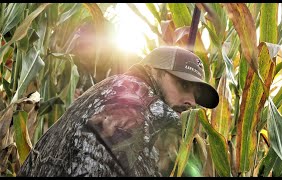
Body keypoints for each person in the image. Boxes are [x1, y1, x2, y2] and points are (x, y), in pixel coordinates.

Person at [18, 46, 219, 177]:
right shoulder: (157, 114)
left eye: (197, 96)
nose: (191, 102)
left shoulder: (104, 90)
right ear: (155, 71)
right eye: (183, 85)